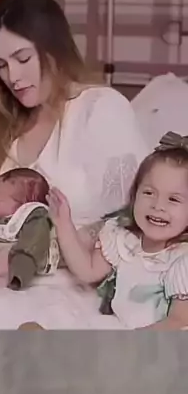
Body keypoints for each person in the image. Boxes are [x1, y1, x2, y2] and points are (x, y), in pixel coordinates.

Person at [0, 0, 149, 288]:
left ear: (53, 49)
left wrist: (35, 251)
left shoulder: (100, 109)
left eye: (23, 59)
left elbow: (131, 220)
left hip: (68, 285)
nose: (12, 77)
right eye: (1, 65)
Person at [45, 132, 188, 329]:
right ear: (134, 195)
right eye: (148, 193)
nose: (158, 205)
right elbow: (87, 271)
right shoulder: (123, 240)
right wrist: (64, 224)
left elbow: (179, 320)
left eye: (173, 199)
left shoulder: (182, 260)